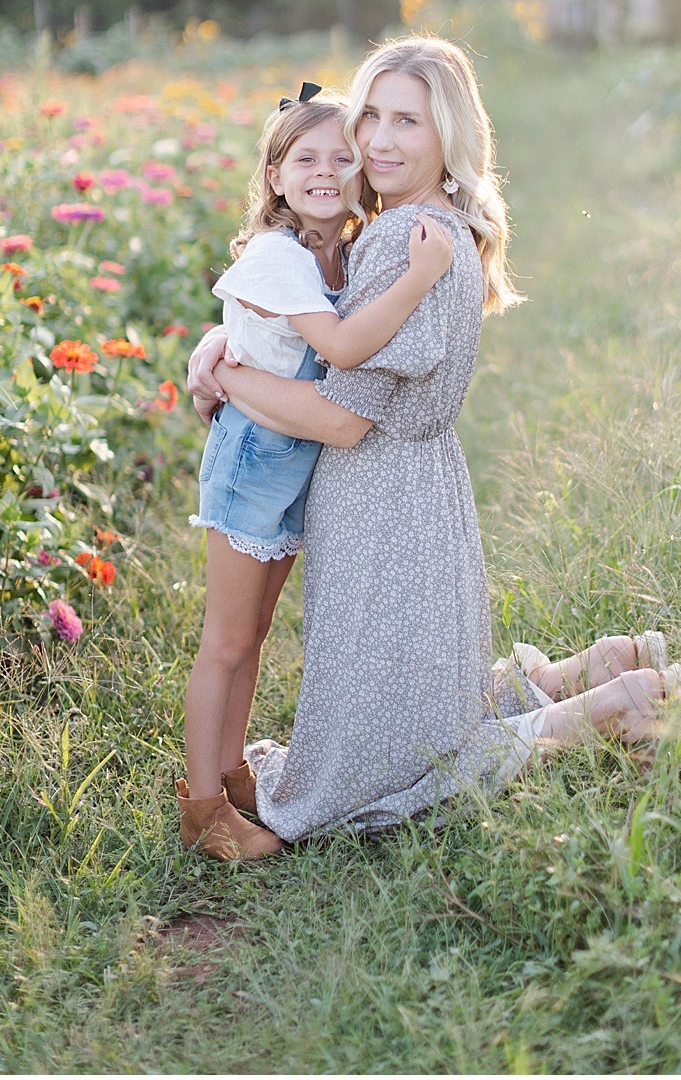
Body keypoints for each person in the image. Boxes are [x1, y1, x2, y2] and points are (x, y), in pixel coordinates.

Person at [188, 36, 681, 843]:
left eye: (407, 123)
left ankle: (602, 709)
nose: (380, 141)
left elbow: (345, 418)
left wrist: (227, 374)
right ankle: (583, 677)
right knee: (412, 690)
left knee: (378, 761)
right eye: (371, 117)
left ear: (447, 136)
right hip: (426, 485)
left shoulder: (397, 242)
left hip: (378, 491)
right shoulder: (442, 225)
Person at [179, 84, 454, 860]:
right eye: (306, 158)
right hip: (255, 462)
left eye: (343, 156)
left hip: (294, 460)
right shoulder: (276, 254)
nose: (326, 171)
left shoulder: (339, 246)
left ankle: (235, 777)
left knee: (257, 632)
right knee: (226, 641)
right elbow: (338, 349)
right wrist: (419, 277)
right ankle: (202, 811)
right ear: (274, 176)